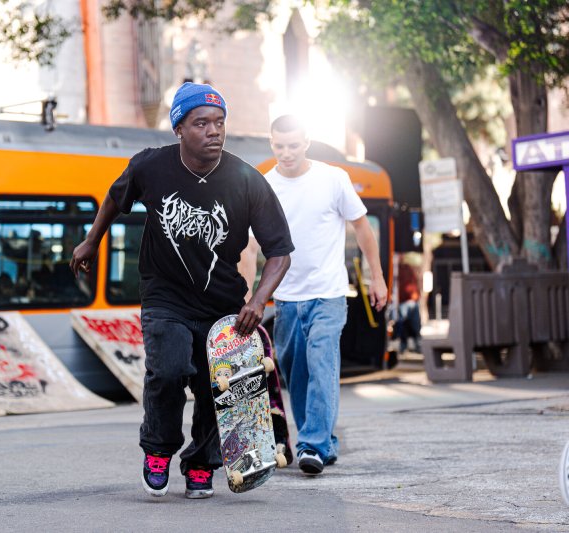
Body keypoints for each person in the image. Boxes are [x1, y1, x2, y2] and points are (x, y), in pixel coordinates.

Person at [70, 82, 293, 499]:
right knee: (169, 371)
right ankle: (158, 450)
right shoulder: (150, 166)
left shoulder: (246, 179)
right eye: (201, 123)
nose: (214, 131)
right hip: (164, 296)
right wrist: (91, 240)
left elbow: (280, 251)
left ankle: (202, 463)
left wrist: (258, 300)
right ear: (179, 129)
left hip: (222, 304)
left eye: (219, 122)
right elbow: (115, 199)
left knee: (215, 388)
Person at [239, 114, 387, 476]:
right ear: (271, 143)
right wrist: (246, 296)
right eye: (279, 146)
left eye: (293, 145)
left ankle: (312, 445)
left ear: (306, 142)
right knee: (296, 373)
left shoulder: (333, 179)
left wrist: (377, 278)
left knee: (322, 363)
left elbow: (362, 228)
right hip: (286, 298)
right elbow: (249, 247)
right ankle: (322, 442)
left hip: (328, 293)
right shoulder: (264, 186)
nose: (286, 153)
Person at [394, 262, 421, 353]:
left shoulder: (405, 269)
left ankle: (413, 345)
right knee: (405, 324)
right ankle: (406, 345)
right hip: (405, 300)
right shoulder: (398, 269)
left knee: (412, 324)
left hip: (410, 300)